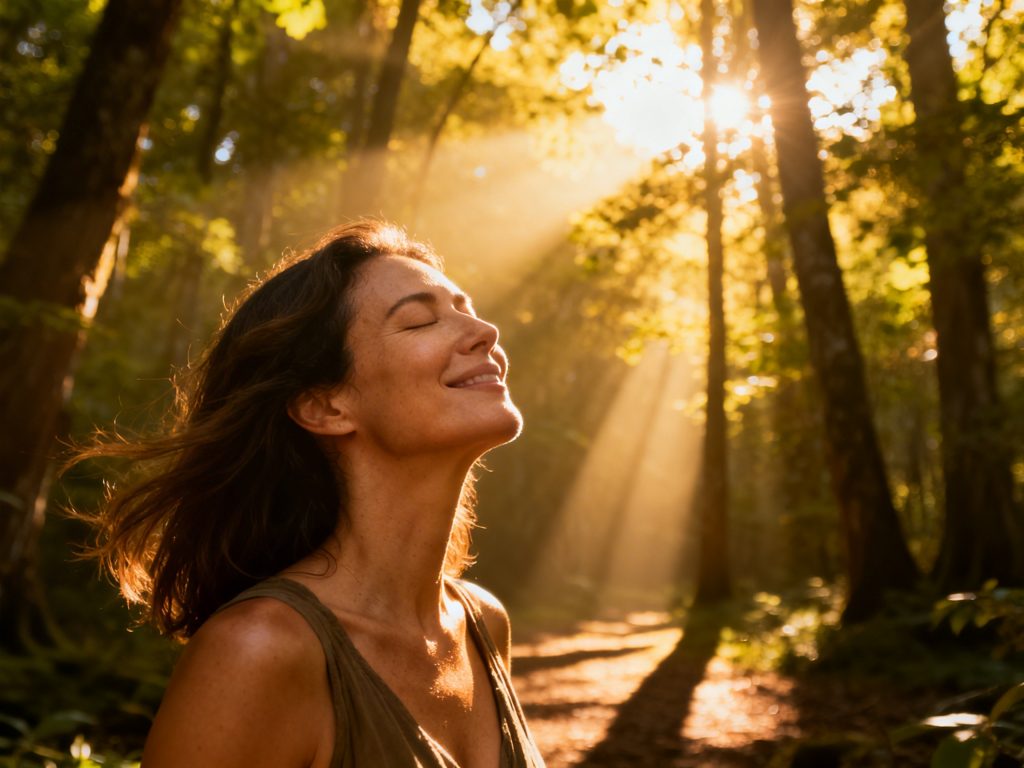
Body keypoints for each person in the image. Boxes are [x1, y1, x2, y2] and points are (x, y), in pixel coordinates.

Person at [73, 221, 546, 768]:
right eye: (421, 321)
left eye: (467, 309)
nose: (484, 329)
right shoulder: (258, 652)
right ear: (325, 406)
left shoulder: (483, 624)